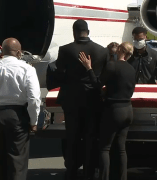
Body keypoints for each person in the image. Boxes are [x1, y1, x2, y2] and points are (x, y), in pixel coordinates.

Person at [55, 19, 109, 180]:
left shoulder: (65, 50)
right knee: (91, 137)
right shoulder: (102, 51)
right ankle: (89, 172)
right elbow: (105, 76)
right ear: (88, 32)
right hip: (93, 99)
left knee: (72, 137)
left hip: (71, 100)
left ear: (74, 32)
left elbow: (59, 74)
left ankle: (71, 171)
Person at [79, 42, 136, 180]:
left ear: (121, 50)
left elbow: (97, 84)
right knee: (121, 149)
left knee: (105, 148)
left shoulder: (112, 65)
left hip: (114, 110)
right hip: (128, 109)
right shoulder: (131, 69)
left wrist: (88, 68)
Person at [0, 38, 41, 180]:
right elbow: (34, 98)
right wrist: (34, 122)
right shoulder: (27, 69)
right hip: (17, 115)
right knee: (17, 160)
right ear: (19, 52)